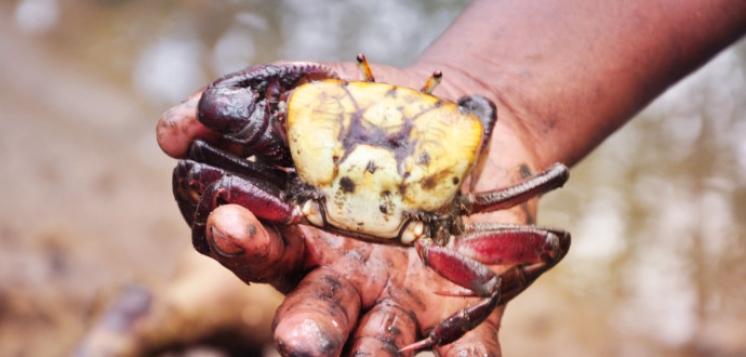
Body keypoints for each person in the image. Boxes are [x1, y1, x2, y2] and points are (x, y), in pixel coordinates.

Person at [156, 0, 746, 355]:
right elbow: (200, 163)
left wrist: (510, 109)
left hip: (390, 225)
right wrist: (201, 220)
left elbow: (541, 241)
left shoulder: (462, 134)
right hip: (308, 200)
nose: (381, 129)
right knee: (200, 172)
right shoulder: (311, 116)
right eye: (354, 107)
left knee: (521, 261)